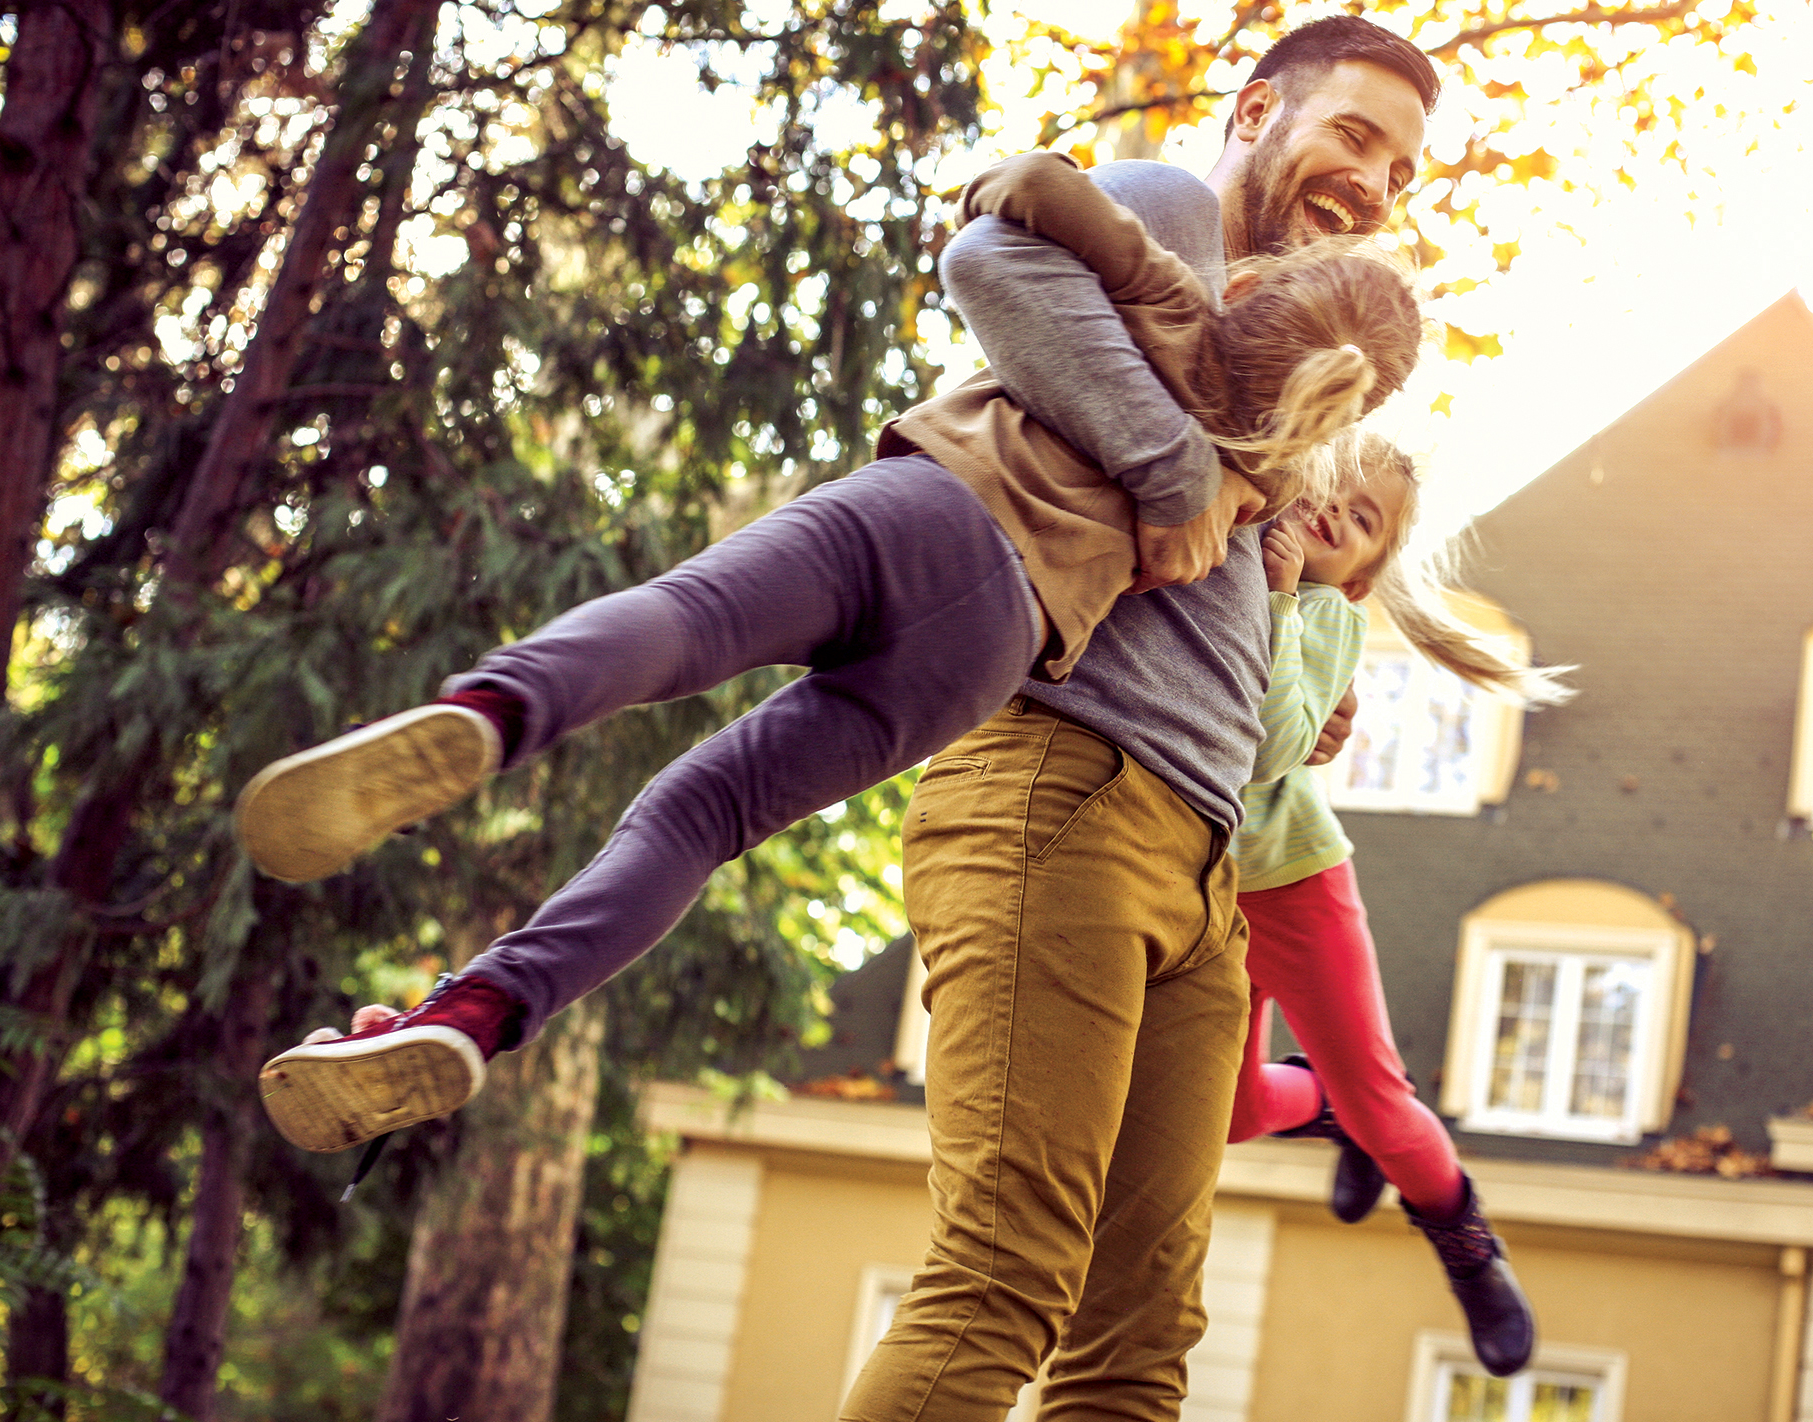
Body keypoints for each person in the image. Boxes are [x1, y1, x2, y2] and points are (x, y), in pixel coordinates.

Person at [249, 142, 1425, 1155]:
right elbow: (1252, 639)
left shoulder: (1174, 298)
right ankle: (476, 1015)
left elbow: (1018, 193)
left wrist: (1052, 204)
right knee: (701, 818)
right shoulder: (1252, 487)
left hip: (933, 518)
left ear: (1255, 279)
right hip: (986, 656)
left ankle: (496, 712)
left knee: (689, 622)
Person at [839, 20, 1452, 1422]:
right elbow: (988, 258)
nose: (1373, 184)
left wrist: (1296, 691)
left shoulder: (1288, 348)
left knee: (1139, 1344)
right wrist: (1178, 471)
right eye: (1353, 136)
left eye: (1402, 173)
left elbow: (1210, 597)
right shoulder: (1172, 213)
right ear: (1254, 112)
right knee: (1000, 1278)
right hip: (1063, 786)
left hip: (1203, 862)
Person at [1229, 431, 1567, 1378]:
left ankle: (1470, 1249)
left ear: (1364, 576)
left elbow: (1265, 746)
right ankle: (1322, 1103)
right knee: (1226, 1112)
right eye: (1331, 486)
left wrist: (1288, 594)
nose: (1335, 507)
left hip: (1294, 880)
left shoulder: (1328, 615)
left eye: (1361, 519)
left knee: (1385, 1106)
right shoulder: (1233, 547)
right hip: (1210, 895)